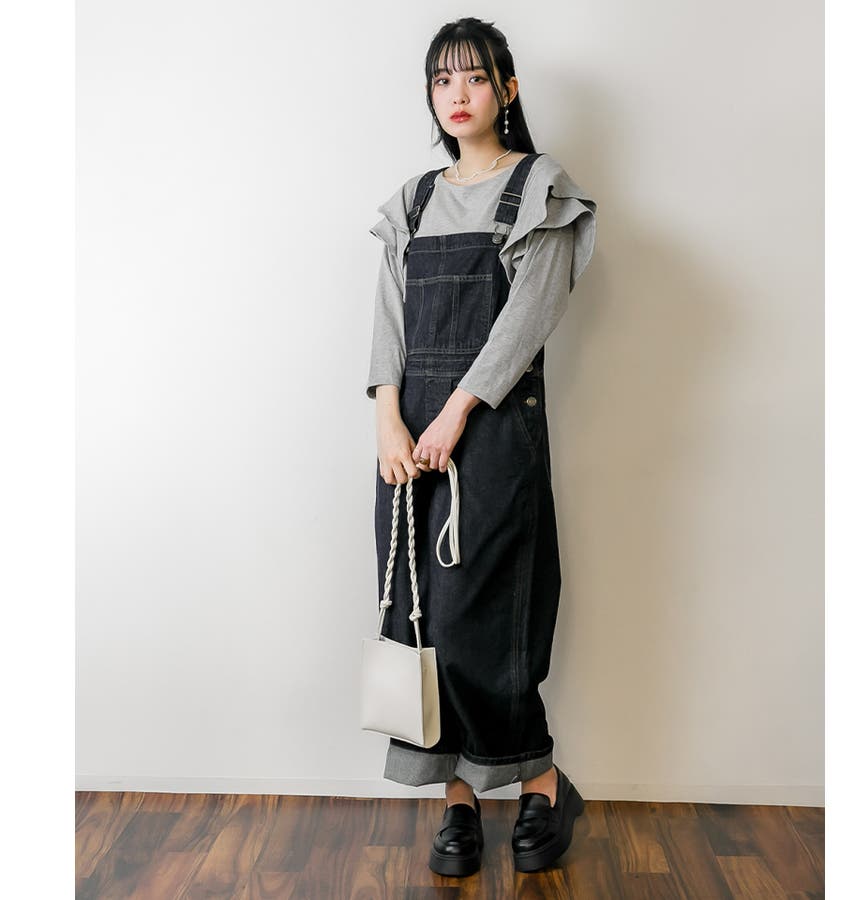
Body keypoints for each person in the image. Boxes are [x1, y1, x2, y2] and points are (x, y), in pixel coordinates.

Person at [366, 16, 597, 877]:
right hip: (408, 439)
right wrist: (388, 419)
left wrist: (457, 411)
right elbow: (389, 319)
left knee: (484, 618)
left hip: (492, 429)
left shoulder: (540, 188)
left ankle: (541, 782)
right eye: (442, 80)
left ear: (507, 89)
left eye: (474, 77)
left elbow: (529, 316)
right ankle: (458, 800)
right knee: (419, 618)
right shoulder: (412, 201)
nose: (457, 95)